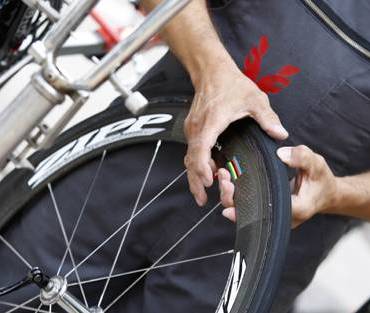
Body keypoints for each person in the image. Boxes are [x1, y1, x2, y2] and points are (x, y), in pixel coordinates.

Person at [115, 0, 370, 311]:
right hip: (129, 161)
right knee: (40, 277)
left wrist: (335, 194)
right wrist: (210, 70)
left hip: (260, 251)